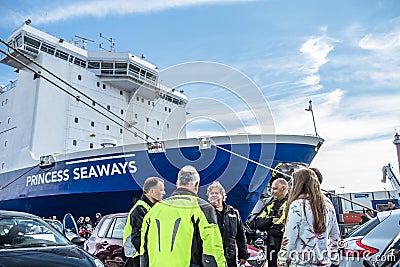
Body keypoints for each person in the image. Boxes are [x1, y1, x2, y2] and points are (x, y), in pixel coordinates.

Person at [140, 165, 226, 267]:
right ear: (196, 184)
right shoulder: (202, 208)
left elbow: (143, 251)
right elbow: (213, 250)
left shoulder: (154, 210)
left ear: (177, 184)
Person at [278, 168, 340, 267]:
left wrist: (282, 262)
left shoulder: (297, 206)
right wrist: (334, 260)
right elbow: (335, 237)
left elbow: (289, 240)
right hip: (324, 263)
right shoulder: (328, 205)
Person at [123, 177, 165, 267]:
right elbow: (137, 237)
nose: (164, 193)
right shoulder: (140, 208)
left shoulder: (148, 207)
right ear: (152, 191)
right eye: (161, 190)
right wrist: (148, 256)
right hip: (137, 257)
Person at [207, 181, 249, 267]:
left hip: (230, 257)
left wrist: (243, 254)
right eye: (211, 193)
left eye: (216, 193)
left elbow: (241, 234)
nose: (214, 195)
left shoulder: (234, 213)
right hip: (211, 257)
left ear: (223, 196)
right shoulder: (205, 212)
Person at [251, 178, 288, 267]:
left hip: (283, 246)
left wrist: (268, 226)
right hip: (270, 245)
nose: (272, 191)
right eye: (271, 188)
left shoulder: (289, 204)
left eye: (275, 189)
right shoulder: (271, 203)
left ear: (283, 188)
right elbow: (257, 223)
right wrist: (271, 220)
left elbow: (280, 228)